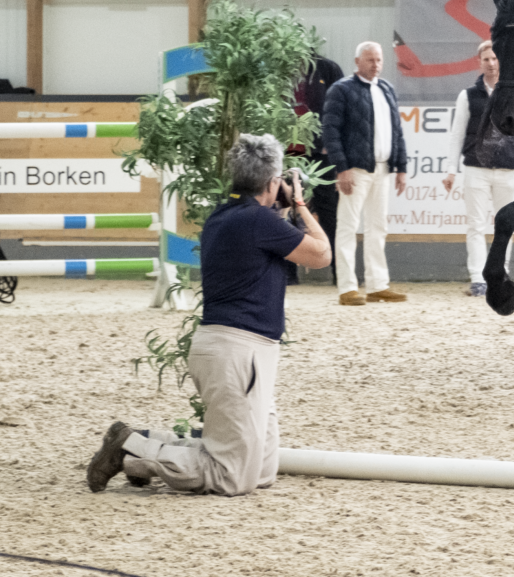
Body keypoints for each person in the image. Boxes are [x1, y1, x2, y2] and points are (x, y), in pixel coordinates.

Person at [85, 134, 332, 496]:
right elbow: (322, 254)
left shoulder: (227, 215)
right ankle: (131, 444)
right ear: (271, 182)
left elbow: (268, 241)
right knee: (232, 477)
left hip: (236, 349)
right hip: (239, 351)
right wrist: (298, 202)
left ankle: (140, 454)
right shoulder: (257, 222)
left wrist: (278, 204)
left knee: (261, 469)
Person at [442, 40, 514, 297]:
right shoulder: (467, 96)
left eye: (495, 58)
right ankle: (478, 279)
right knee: (475, 225)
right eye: (486, 59)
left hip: (508, 170)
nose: (492, 63)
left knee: (505, 225)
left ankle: (500, 275)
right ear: (480, 62)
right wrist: (451, 169)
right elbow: (457, 134)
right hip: (476, 169)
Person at [321, 41, 408, 306]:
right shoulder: (341, 90)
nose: (376, 64)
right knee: (347, 226)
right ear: (357, 62)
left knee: (377, 227)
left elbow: (397, 131)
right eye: (370, 60)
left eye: (379, 60)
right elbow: (331, 131)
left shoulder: (387, 89)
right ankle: (347, 287)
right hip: (354, 170)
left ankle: (377, 284)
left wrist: (401, 167)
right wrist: (342, 168)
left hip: (382, 169)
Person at [295, 54, 345, 285]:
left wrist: (333, 146)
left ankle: (340, 272)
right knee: (287, 211)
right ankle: (286, 274)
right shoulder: (278, 69)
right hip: (290, 153)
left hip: (322, 154)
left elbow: (343, 110)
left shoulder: (328, 69)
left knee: (330, 214)